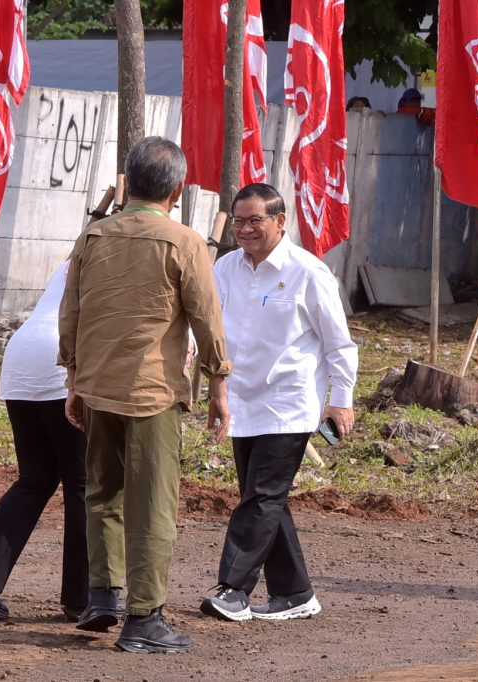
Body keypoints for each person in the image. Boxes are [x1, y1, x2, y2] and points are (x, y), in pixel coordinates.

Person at [58, 136, 232, 653]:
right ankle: (144, 618)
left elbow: (72, 314)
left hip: (97, 387)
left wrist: (73, 379)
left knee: (102, 493)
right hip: (152, 391)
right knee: (154, 505)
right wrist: (219, 385)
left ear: (128, 183)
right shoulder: (184, 241)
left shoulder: (91, 237)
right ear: (177, 189)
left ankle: (103, 596)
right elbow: (206, 320)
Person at [201, 182, 358, 622]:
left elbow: (339, 345)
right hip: (240, 401)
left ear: (280, 222)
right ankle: (295, 592)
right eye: (239, 221)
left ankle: (233, 590)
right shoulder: (226, 268)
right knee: (265, 497)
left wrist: (340, 400)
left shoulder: (308, 272)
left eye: (256, 220)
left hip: (289, 402)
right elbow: (210, 328)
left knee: (262, 496)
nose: (245, 229)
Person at [0, 262, 88, 622]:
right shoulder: (121, 256)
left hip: (23, 360)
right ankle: (82, 597)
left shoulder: (72, 258)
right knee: (84, 483)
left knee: (36, 478)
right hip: (61, 365)